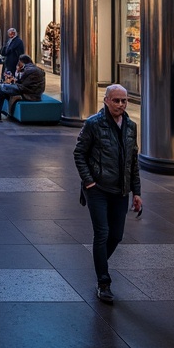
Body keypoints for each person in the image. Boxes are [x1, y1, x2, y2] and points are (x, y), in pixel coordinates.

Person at [73, 84, 143, 303]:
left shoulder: (131, 126)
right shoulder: (94, 124)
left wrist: (137, 192)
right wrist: (89, 182)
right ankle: (104, 282)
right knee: (102, 234)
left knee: (116, 236)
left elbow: (133, 161)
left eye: (124, 101)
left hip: (120, 190)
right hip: (98, 190)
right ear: (106, 100)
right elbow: (79, 153)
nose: (120, 105)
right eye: (116, 100)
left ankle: (99, 261)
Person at [0, 53, 46, 120]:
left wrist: (16, 73)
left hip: (30, 94)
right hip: (33, 92)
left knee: (0, 87)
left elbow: (21, 83)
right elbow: (23, 82)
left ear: (22, 62)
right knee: (2, 90)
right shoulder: (33, 68)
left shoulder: (28, 70)